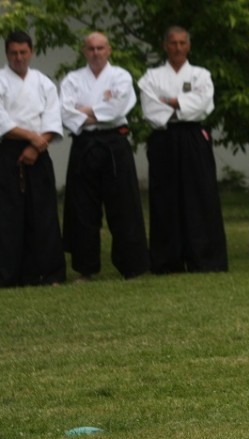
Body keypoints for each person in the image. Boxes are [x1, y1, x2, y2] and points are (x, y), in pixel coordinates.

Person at [60, 31, 150, 282]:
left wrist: (86, 110)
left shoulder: (120, 76)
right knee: (82, 208)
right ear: (84, 51)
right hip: (84, 143)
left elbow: (119, 109)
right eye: (91, 48)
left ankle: (131, 266)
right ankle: (85, 268)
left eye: (100, 48)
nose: (96, 53)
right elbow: (65, 112)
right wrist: (98, 112)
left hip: (114, 143)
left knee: (124, 205)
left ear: (109, 50)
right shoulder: (72, 79)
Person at [138, 26, 227, 274]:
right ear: (165, 46)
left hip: (193, 136)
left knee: (200, 196)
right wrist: (184, 103)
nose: (177, 48)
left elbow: (204, 105)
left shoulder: (201, 75)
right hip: (163, 137)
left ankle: (204, 258)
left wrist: (173, 102)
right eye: (173, 43)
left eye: (182, 43)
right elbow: (150, 109)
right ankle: (167, 261)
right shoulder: (151, 77)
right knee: (165, 197)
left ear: (188, 46)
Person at [0, 30, 66, 288]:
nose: (18, 57)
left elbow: (52, 118)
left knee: (44, 212)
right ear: (7, 54)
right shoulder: (1, 80)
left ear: (31, 52)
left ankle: (48, 273)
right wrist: (29, 137)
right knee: (8, 214)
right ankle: (9, 275)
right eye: (13, 53)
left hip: (39, 151)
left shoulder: (43, 82)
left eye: (23, 52)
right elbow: (2, 119)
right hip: (7, 150)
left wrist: (37, 146)